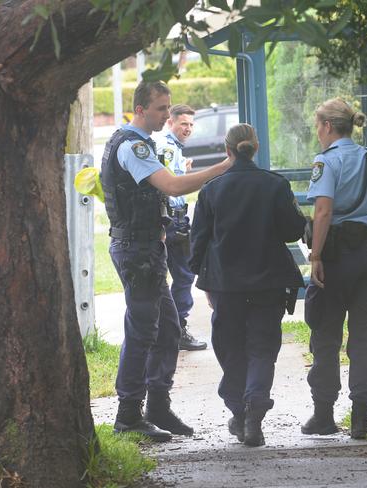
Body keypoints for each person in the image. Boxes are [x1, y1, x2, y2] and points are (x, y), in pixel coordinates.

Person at [101, 81, 232, 442]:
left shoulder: (132, 143)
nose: (167, 115)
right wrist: (223, 167)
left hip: (145, 250)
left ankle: (156, 405)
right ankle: (128, 413)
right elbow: (172, 186)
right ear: (141, 109)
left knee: (169, 328)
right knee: (142, 330)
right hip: (137, 252)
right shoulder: (133, 145)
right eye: (161, 108)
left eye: (167, 107)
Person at [190, 123, 306, 447]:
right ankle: (255, 411)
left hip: (226, 285)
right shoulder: (275, 186)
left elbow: (198, 241)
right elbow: (293, 230)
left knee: (230, 347)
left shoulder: (211, 190)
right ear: (255, 147)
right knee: (262, 348)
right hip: (268, 283)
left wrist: (202, 279)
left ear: (227, 151)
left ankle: (239, 413)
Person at [301, 97, 367, 440]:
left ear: (327, 126)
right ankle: (361, 418)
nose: (317, 133)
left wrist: (316, 257)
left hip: (336, 258)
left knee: (326, 336)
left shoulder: (325, 162)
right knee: (364, 338)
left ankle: (324, 416)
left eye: (317, 126)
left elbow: (323, 211)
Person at [154, 104, 207, 351]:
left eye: (191, 124)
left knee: (177, 277)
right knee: (183, 276)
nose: (188, 128)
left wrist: (182, 171)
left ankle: (169, 331)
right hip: (171, 221)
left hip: (176, 219)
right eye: (183, 123)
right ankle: (175, 331)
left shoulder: (173, 147)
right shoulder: (166, 146)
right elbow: (166, 186)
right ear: (170, 123)